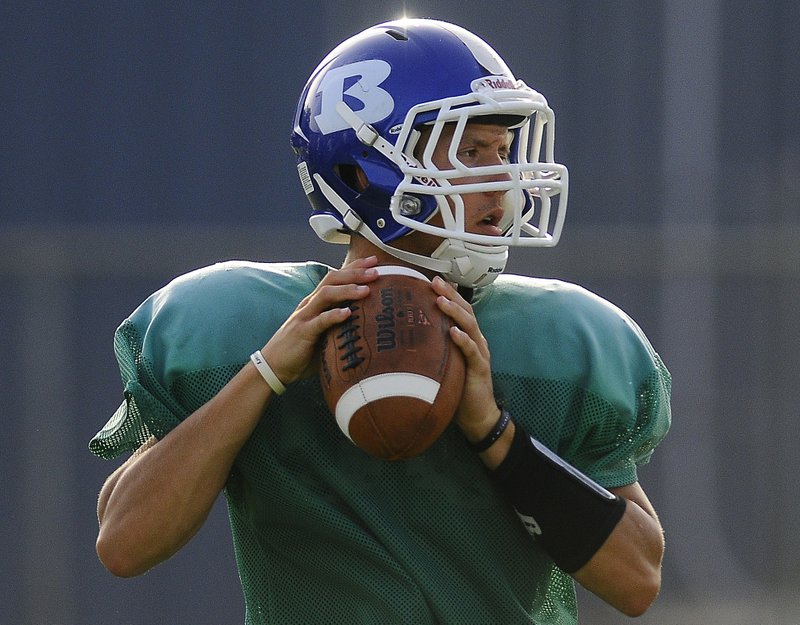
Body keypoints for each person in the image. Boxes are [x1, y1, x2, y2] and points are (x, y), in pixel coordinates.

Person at [90, 18, 671, 625]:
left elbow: (637, 580)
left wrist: (494, 431)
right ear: (362, 172)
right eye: (470, 152)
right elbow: (124, 543)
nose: (500, 179)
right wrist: (263, 374)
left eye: (502, 152)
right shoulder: (240, 327)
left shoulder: (561, 339)